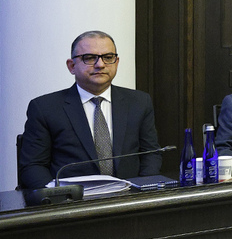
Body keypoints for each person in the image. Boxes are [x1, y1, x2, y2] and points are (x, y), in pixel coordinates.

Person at [18, 30, 161, 189]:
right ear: (72, 66)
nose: (100, 65)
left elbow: (151, 154)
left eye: (108, 57)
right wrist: (57, 196)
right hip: (71, 199)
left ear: (116, 62)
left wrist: (143, 191)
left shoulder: (139, 102)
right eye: (90, 58)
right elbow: (33, 166)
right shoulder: (45, 108)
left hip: (128, 196)